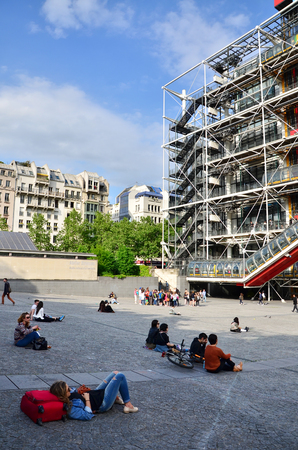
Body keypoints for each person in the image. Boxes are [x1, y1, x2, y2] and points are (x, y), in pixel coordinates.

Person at [50, 371, 138, 420]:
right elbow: (87, 415)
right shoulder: (71, 408)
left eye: (68, 387)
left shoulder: (69, 394)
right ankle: (128, 405)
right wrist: (87, 400)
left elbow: (74, 393)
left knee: (115, 373)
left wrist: (79, 391)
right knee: (120, 376)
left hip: (95, 394)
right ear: (63, 395)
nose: (70, 389)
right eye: (68, 389)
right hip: (102, 403)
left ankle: (114, 398)